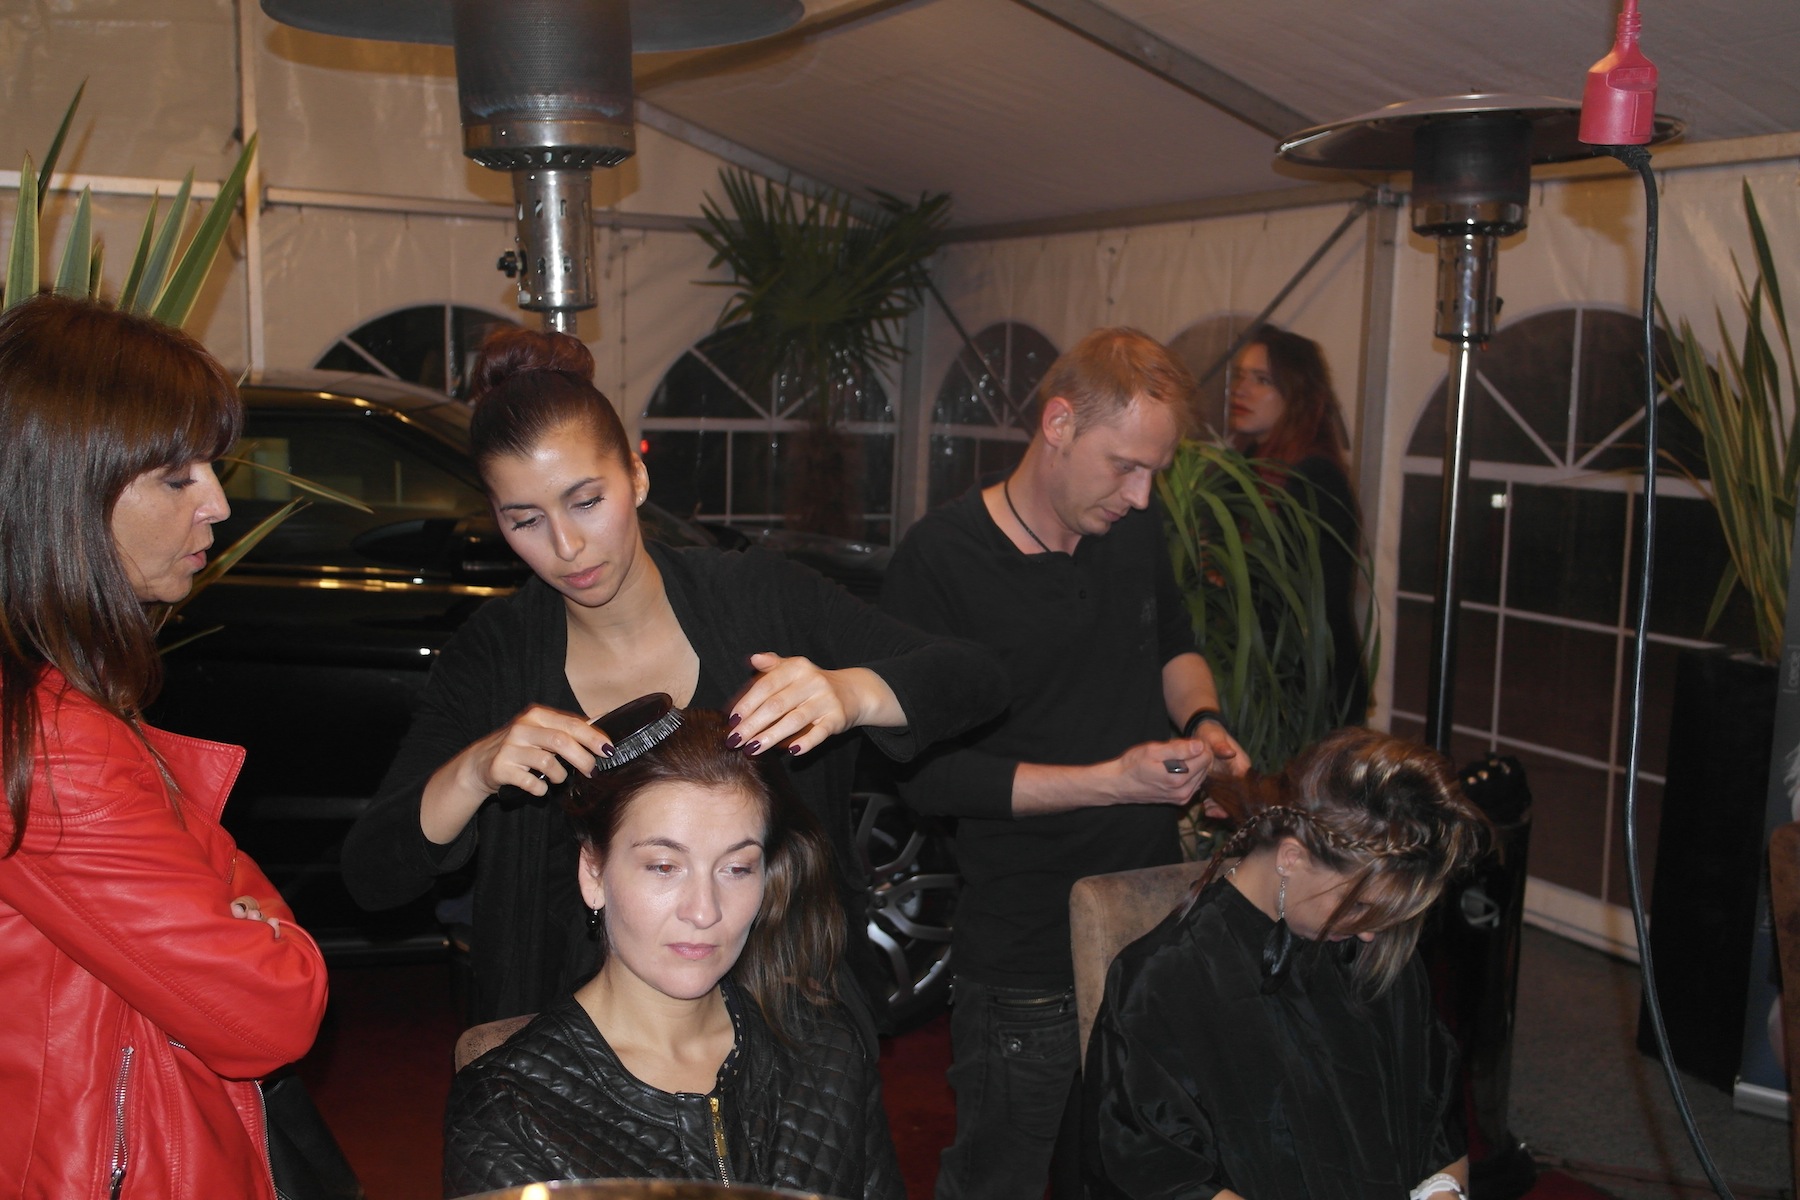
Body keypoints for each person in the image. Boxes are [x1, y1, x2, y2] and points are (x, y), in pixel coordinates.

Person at [342, 328, 1006, 1026]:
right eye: (525, 519)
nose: (566, 546)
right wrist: (473, 772)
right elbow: (373, 876)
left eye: (586, 501)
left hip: (792, 1024)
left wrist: (852, 693)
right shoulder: (494, 656)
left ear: (636, 476)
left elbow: (979, 678)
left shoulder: (759, 598)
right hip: (579, 1047)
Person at [880, 327, 1252, 1200]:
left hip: (1149, 922)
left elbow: (1173, 641)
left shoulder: (1128, 523)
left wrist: (1204, 721)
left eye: (1154, 471)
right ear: (1057, 424)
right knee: (997, 1184)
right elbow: (930, 779)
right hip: (1026, 949)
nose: (1141, 493)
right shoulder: (942, 561)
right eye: (1125, 466)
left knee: (1128, 1177)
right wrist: (1111, 782)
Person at [0, 295, 329, 1199]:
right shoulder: (52, 744)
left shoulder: (57, 706)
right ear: (68, 491)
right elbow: (270, 1011)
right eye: (176, 477)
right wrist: (264, 930)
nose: (217, 503)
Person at [444, 696, 903, 1198]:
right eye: (664, 866)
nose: (704, 912)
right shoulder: (510, 1107)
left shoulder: (827, 1045)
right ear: (593, 873)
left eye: (737, 868)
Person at [1084, 727, 1488, 1200]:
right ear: (1291, 857)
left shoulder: (1371, 950)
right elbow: (1158, 1174)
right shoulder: (1164, 980)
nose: (1370, 932)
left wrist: (1441, 1191)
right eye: (1359, 906)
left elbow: (1436, 1119)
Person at [1227, 325, 1368, 722]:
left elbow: (1318, 597)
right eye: (1240, 376)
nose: (1240, 390)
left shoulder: (1315, 476)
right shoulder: (1243, 468)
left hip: (1307, 687)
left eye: (1262, 380)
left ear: (1298, 395)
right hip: (1261, 680)